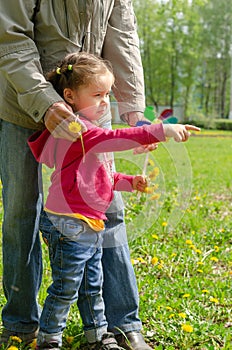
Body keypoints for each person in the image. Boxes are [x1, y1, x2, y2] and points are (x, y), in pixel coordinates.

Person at [0, 2, 191, 350]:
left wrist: (133, 107)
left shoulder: (98, 102)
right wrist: (47, 103)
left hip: (90, 99)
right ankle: (21, 324)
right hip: (21, 96)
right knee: (19, 211)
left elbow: (123, 32)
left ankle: (119, 325)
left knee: (109, 209)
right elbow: (11, 37)